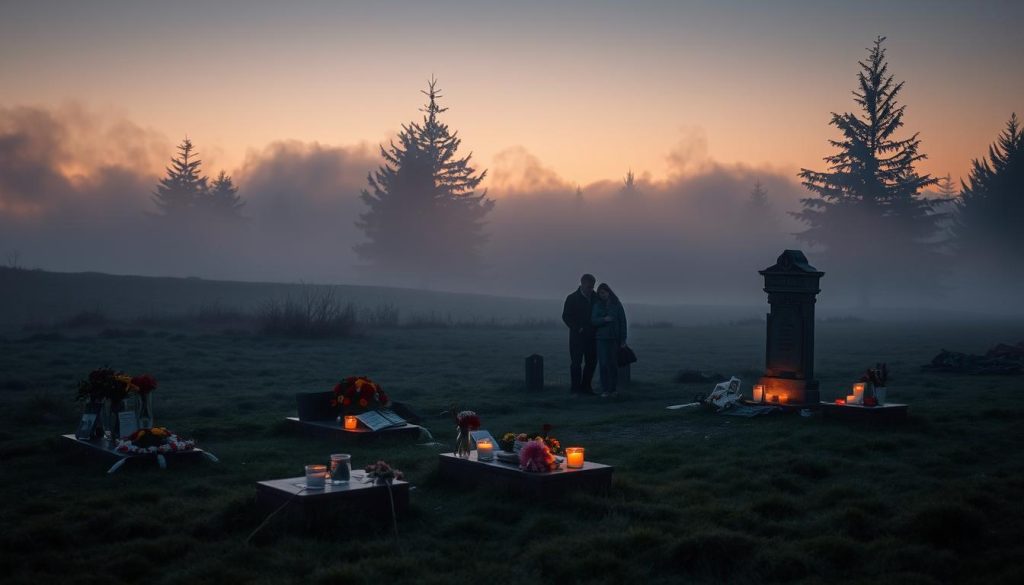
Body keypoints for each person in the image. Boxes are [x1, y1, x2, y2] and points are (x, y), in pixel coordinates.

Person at [562, 273, 598, 395]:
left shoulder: (596, 297)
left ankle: (586, 387)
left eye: (592, 287)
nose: (590, 289)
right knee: (576, 363)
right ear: (582, 284)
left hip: (592, 337)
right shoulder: (571, 298)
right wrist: (578, 328)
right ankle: (575, 389)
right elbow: (566, 316)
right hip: (577, 338)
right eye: (588, 287)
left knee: (591, 362)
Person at [591, 282, 627, 397]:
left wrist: (623, 340)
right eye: (600, 293)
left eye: (604, 292)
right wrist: (604, 319)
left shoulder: (617, 305)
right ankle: (605, 390)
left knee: (613, 364)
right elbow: (593, 321)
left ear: (608, 292)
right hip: (601, 339)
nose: (602, 295)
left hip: (614, 339)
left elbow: (623, 322)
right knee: (603, 364)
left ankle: (613, 389)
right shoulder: (597, 305)